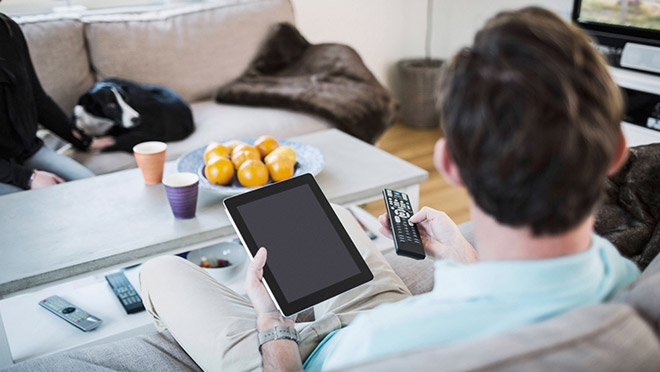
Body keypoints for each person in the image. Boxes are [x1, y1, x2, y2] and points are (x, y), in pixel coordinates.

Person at [139, 7, 641, 372]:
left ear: (449, 163)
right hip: (385, 311)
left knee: (159, 269)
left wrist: (272, 322)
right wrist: (459, 253)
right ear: (618, 152)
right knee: (327, 214)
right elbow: (519, 298)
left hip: (299, 354)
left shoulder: (384, 350)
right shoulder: (619, 278)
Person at [0, 11, 114, 195]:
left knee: (94, 191)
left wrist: (84, 141)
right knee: (24, 210)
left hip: (27, 152)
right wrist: (27, 178)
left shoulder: (7, 28)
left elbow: (37, 98)